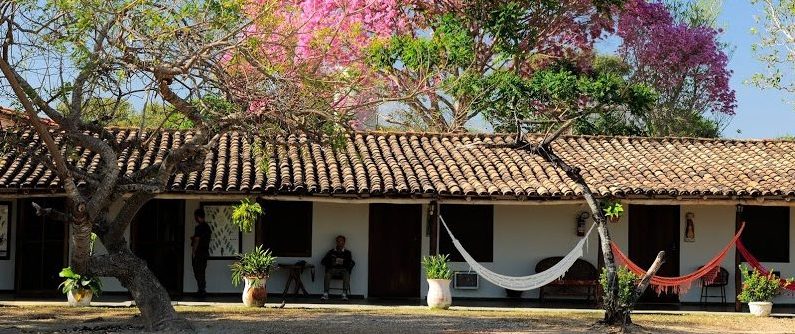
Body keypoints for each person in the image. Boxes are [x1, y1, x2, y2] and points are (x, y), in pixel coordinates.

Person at [321, 235, 354, 301]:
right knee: (327, 273)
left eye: (341, 241)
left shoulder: (347, 253)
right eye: (338, 241)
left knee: (346, 273)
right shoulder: (331, 252)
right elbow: (323, 262)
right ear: (336, 242)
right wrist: (331, 263)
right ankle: (326, 293)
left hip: (343, 270)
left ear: (344, 242)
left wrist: (342, 262)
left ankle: (344, 294)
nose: (339, 243)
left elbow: (350, 263)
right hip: (333, 269)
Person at [191, 208, 212, 297]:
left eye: (195, 217)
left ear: (198, 217)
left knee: (198, 271)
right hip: (205, 252)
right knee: (202, 272)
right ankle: (202, 290)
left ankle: (201, 291)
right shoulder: (207, 227)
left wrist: (193, 252)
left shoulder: (199, 228)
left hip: (199, 253)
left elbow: (197, 240)